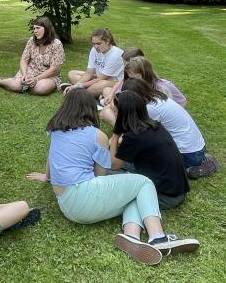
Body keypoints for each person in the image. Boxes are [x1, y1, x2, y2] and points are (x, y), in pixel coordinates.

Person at [28, 89, 199, 265]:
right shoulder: (97, 135)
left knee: (133, 193)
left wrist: (48, 176)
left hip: (66, 205)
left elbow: (51, 155)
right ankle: (158, 238)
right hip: (84, 199)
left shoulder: (54, 129)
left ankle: (131, 235)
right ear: (91, 109)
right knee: (143, 182)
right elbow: (100, 175)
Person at [122, 77, 219, 179]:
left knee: (140, 162)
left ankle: (199, 167)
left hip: (188, 154)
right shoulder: (158, 97)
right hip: (197, 148)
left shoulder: (150, 109)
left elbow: (140, 136)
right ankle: (197, 163)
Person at [110, 91, 190, 210]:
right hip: (177, 189)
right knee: (120, 164)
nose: (113, 114)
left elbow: (114, 165)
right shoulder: (153, 125)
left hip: (165, 197)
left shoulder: (134, 136)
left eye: (115, 111)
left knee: (105, 172)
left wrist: (115, 135)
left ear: (123, 114)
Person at [0, 16, 65, 95]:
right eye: (34, 28)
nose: (35, 31)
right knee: (15, 86)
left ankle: (26, 86)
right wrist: (24, 75)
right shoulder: (32, 41)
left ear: (46, 28)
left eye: (38, 28)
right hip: (31, 71)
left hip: (48, 76)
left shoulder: (56, 44)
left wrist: (36, 79)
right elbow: (24, 60)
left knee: (41, 88)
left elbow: (54, 69)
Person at [62, 28, 123, 98]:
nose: (96, 46)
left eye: (99, 43)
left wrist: (79, 85)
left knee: (101, 84)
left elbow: (102, 78)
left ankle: (80, 94)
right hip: (97, 78)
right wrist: (76, 85)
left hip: (114, 82)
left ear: (108, 41)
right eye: (93, 44)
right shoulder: (94, 50)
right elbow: (89, 73)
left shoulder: (115, 55)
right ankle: (95, 94)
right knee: (72, 73)